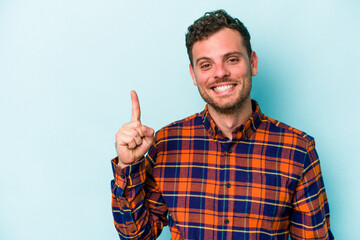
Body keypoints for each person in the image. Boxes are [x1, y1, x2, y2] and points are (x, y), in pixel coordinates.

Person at [111, 9, 334, 240]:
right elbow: (137, 236)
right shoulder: (166, 143)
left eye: (232, 59)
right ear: (194, 75)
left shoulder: (298, 149)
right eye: (206, 65)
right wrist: (128, 166)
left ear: (253, 63)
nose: (220, 73)